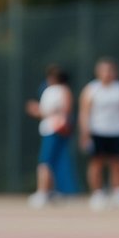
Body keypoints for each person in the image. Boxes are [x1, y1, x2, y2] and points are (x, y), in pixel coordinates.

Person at [78, 58, 119, 210]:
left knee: (118, 163)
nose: (107, 73)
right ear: (98, 72)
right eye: (104, 70)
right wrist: (85, 132)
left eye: (110, 70)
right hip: (97, 130)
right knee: (97, 163)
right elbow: (84, 113)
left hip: (117, 131)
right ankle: (97, 194)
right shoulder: (91, 89)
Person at [25, 65, 76, 208]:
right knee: (51, 162)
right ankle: (51, 191)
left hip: (56, 129)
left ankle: (43, 192)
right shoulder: (49, 91)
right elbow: (46, 112)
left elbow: (64, 111)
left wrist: (38, 111)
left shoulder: (63, 90)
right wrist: (37, 111)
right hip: (49, 129)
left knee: (45, 162)